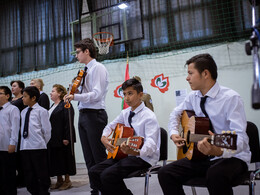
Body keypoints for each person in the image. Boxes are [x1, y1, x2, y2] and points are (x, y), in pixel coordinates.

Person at [158, 53, 251, 195]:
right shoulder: (192, 97)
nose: (187, 78)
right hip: (203, 157)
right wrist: (173, 133)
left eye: (190, 73)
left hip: (233, 158)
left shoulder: (231, 98)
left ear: (205, 73)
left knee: (215, 175)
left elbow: (241, 140)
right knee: (165, 172)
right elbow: (175, 113)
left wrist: (219, 151)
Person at [88, 78, 161, 195]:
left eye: (130, 94)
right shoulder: (125, 113)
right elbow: (110, 126)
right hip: (126, 155)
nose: (126, 98)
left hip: (144, 158)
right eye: (125, 94)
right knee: (94, 171)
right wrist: (104, 137)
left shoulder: (149, 116)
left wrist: (135, 152)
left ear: (140, 95)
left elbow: (151, 145)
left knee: (108, 175)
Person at [64, 38, 109, 195]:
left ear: (87, 51)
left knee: (98, 156)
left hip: (95, 115)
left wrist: (74, 97)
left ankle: (106, 188)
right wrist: (73, 90)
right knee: (88, 157)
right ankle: (94, 188)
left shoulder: (98, 68)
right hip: (83, 114)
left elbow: (97, 95)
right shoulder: (83, 71)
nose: (76, 55)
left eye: (78, 52)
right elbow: (83, 92)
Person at [20, 86, 51, 195]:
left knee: (41, 172)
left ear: (33, 98)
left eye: (24, 96)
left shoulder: (42, 111)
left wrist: (41, 143)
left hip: (38, 147)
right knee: (28, 172)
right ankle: (33, 191)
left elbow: (47, 131)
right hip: (25, 146)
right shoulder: (23, 112)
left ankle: (43, 191)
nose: (22, 98)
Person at [48, 84, 76, 190]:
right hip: (53, 138)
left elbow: (68, 122)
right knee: (56, 159)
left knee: (65, 158)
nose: (51, 93)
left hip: (63, 138)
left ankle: (67, 180)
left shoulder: (65, 104)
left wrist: (67, 137)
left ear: (59, 93)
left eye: (53, 91)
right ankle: (59, 180)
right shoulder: (52, 106)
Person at [0, 86, 20, 195]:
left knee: (8, 174)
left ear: (7, 96)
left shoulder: (13, 109)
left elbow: (15, 128)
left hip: (7, 147)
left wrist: (13, 143)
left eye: (0, 93)